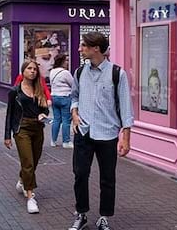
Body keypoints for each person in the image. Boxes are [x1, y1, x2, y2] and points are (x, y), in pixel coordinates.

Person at [69, 32, 134, 230]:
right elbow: (74, 96)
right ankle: (81, 214)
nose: (80, 49)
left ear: (96, 48)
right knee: (80, 174)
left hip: (107, 134)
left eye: (83, 46)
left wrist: (126, 138)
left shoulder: (117, 73)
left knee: (107, 178)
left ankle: (104, 217)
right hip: (84, 131)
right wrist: (74, 112)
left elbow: (125, 107)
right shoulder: (79, 72)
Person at [4, 59, 49, 214]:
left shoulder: (39, 89)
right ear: (23, 71)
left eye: (35, 69)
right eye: (29, 68)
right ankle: (31, 197)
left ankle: (23, 180)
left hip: (37, 128)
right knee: (28, 161)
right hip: (21, 128)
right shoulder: (15, 91)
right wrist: (7, 136)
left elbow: (45, 109)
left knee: (34, 161)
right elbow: (9, 113)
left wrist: (44, 113)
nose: (32, 71)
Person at [49, 53, 74, 148]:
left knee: (56, 120)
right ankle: (66, 141)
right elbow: (73, 84)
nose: (67, 62)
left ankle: (53, 140)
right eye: (66, 60)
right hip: (64, 97)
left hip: (54, 97)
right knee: (66, 120)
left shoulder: (52, 72)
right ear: (62, 61)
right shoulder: (65, 73)